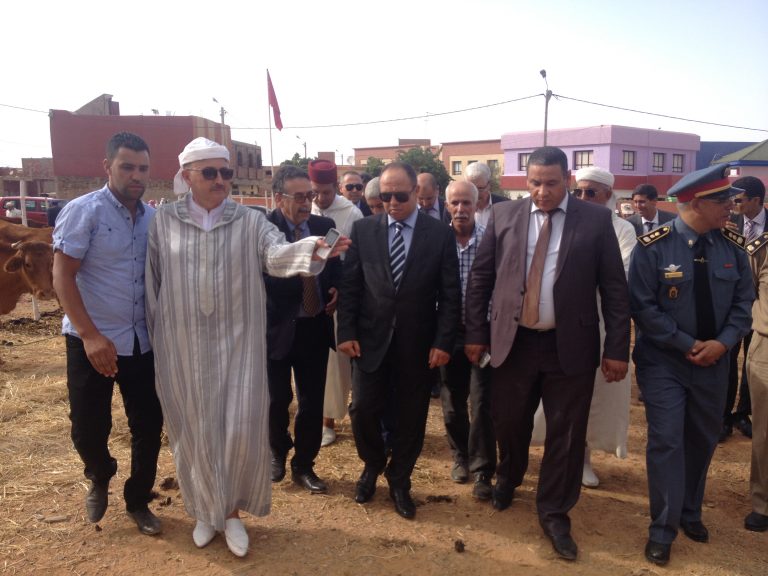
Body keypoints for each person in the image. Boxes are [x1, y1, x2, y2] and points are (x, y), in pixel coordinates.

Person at [146, 137, 346, 557]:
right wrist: (156, 340)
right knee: (195, 430)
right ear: (187, 177)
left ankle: (232, 512)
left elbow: (275, 255)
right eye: (210, 172)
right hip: (183, 345)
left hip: (237, 344)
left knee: (238, 428)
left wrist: (311, 250)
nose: (220, 180)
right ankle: (205, 511)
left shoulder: (249, 220)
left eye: (226, 172)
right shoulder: (164, 221)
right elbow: (153, 282)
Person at [464, 146, 630, 561]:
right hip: (513, 342)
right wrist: (476, 333)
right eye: (535, 183)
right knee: (508, 421)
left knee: (566, 433)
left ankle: (554, 510)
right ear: (526, 181)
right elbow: (481, 278)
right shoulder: (503, 215)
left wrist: (617, 348)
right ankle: (509, 477)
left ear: (567, 180)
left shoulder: (595, 221)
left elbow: (614, 289)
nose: (542, 192)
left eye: (551, 183)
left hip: (569, 345)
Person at [628, 163, 753, 566]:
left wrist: (723, 343)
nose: (731, 207)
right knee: (666, 440)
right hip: (664, 362)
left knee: (702, 438)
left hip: (714, 363)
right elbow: (643, 308)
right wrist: (687, 343)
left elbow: (743, 304)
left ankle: (689, 511)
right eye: (723, 201)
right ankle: (662, 529)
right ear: (697, 203)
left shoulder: (733, 247)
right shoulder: (653, 247)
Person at [52, 131, 164, 536]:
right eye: (127, 166)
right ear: (107, 167)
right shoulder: (84, 212)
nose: (136, 175)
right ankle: (100, 473)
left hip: (142, 340)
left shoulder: (154, 219)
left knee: (148, 425)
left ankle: (138, 499)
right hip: (91, 339)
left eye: (143, 168)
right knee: (87, 427)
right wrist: (90, 336)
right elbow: (62, 276)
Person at [338, 161, 460, 520]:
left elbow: (450, 294)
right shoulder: (364, 230)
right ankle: (373, 464)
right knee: (362, 410)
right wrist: (346, 332)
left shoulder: (439, 234)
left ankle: (400, 479)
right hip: (369, 341)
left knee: (411, 418)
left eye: (400, 196)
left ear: (416, 193)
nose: (392, 203)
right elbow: (351, 286)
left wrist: (443, 341)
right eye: (385, 196)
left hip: (417, 344)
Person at [531, 166, 636, 488]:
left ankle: (582, 460)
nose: (584, 197)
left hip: (601, 324)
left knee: (591, 398)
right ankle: (550, 457)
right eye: (579, 191)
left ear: (608, 195)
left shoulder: (622, 229)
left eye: (592, 192)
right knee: (551, 397)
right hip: (559, 322)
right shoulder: (564, 220)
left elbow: (619, 278)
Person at [266, 165, 341, 492]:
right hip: (276, 329)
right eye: (299, 197)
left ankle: (304, 465)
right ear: (278, 198)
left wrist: (337, 288)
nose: (306, 203)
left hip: (314, 327)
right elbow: (263, 276)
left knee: (311, 402)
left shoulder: (326, 227)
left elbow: (333, 267)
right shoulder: (265, 229)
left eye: (309, 196)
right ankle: (277, 451)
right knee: (275, 399)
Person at [440, 180, 495, 499]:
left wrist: (485, 333)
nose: (460, 209)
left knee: (483, 402)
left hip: (483, 335)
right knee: (451, 404)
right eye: (455, 203)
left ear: (477, 204)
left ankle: (483, 469)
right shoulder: (436, 241)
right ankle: (460, 457)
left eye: (466, 203)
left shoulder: (492, 241)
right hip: (448, 335)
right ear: (447, 205)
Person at [308, 159, 363, 447]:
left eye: (326, 192)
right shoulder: (304, 206)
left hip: (335, 295)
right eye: (314, 192)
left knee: (333, 362)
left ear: (336, 188)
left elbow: (354, 262)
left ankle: (327, 421)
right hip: (306, 294)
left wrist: (340, 290)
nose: (319, 198)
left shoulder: (351, 213)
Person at [721, 176, 766, 441]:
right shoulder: (728, 222)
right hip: (733, 303)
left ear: (756, 200)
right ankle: (724, 415)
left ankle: (743, 413)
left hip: (762, 308)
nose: (733, 204)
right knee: (728, 358)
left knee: (753, 360)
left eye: (738, 200)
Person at [744, 188, 768, 533]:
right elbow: (744, 290)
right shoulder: (762, 247)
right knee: (765, 432)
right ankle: (763, 502)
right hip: (767, 346)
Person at [463, 162, 508, 228]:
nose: (476, 193)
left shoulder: (505, 206)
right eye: (471, 188)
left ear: (489, 185)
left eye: (480, 188)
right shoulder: (456, 209)